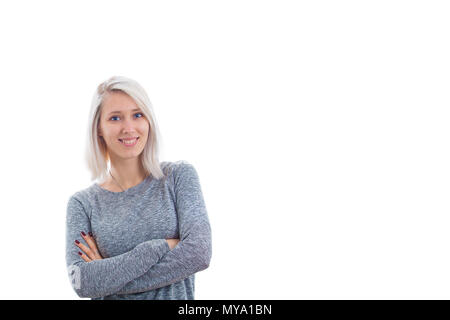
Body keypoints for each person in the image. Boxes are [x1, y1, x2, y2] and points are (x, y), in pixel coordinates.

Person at [65, 76, 212, 300]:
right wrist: (159, 247)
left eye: (137, 114)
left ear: (149, 121)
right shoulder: (83, 204)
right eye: (115, 118)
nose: (128, 127)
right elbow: (83, 282)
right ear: (99, 129)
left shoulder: (178, 178)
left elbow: (198, 254)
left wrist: (107, 277)